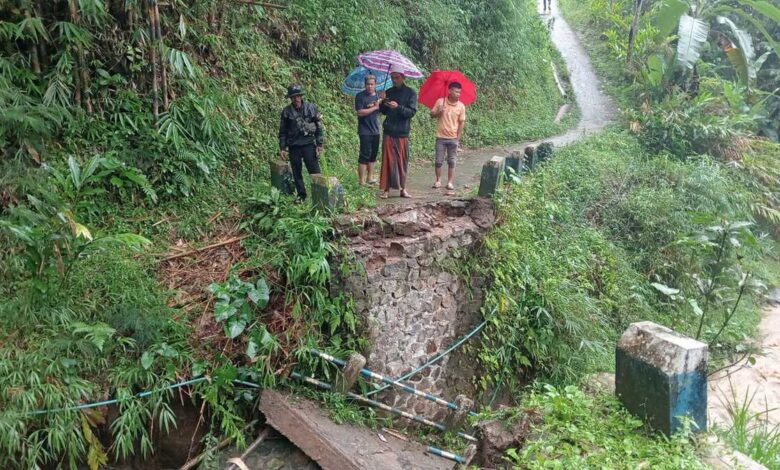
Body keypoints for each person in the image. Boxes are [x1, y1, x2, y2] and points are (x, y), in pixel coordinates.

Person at [278, 84, 324, 201]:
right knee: (296, 172)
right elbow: (282, 131)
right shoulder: (286, 112)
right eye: (293, 97)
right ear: (290, 98)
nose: (296, 99)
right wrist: (283, 148)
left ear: (301, 96)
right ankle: (301, 196)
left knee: (315, 171)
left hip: (309, 144)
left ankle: (320, 195)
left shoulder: (311, 108)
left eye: (298, 96)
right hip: (294, 147)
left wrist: (319, 144)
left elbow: (319, 126)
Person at [379, 65, 417, 199]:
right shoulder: (388, 92)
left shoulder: (411, 93)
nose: (394, 80)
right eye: (392, 77)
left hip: (402, 131)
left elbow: (411, 112)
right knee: (387, 160)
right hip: (389, 129)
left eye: (397, 77)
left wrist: (398, 107)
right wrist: (382, 101)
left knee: (402, 161)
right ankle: (386, 190)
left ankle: (403, 189)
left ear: (403, 77)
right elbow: (383, 112)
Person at [430, 82, 466, 191]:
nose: (458, 94)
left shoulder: (461, 106)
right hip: (440, 137)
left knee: (452, 161)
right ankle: (438, 180)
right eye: (456, 91)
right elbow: (431, 115)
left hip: (453, 138)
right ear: (449, 91)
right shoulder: (440, 102)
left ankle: (450, 182)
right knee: (438, 160)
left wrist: (457, 138)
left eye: (459, 92)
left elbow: (462, 123)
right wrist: (438, 112)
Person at [354, 75, 382, 185]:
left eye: (372, 84)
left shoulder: (379, 96)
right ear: (365, 85)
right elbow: (360, 112)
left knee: (373, 155)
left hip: (376, 129)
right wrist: (374, 107)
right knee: (364, 155)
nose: (370, 86)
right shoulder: (360, 96)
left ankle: (370, 177)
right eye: (368, 84)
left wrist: (381, 104)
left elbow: (381, 111)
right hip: (364, 130)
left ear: (375, 85)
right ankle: (361, 181)